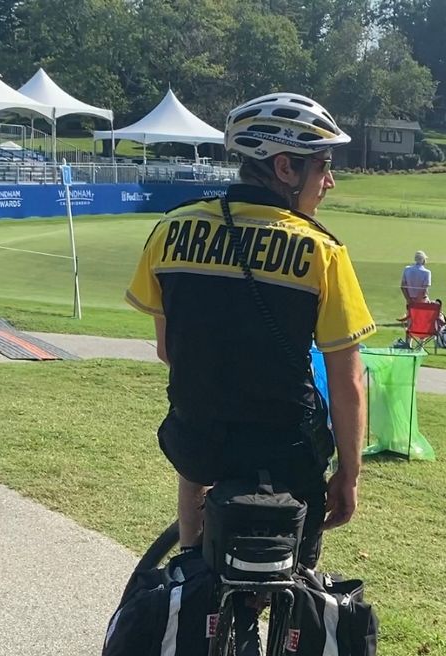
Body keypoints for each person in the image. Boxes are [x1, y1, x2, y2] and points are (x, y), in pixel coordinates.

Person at [125, 92, 377, 566]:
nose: (330, 181)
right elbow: (348, 384)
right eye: (322, 165)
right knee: (293, 581)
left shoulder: (171, 230)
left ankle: (192, 564)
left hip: (197, 439)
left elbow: (168, 350)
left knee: (194, 531)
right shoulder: (322, 252)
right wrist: (349, 473)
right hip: (287, 450)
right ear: (285, 168)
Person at [399, 250, 431, 321]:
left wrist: (409, 300)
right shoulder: (427, 272)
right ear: (423, 260)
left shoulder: (407, 269)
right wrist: (417, 301)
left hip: (410, 298)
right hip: (421, 300)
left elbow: (403, 286)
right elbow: (424, 290)